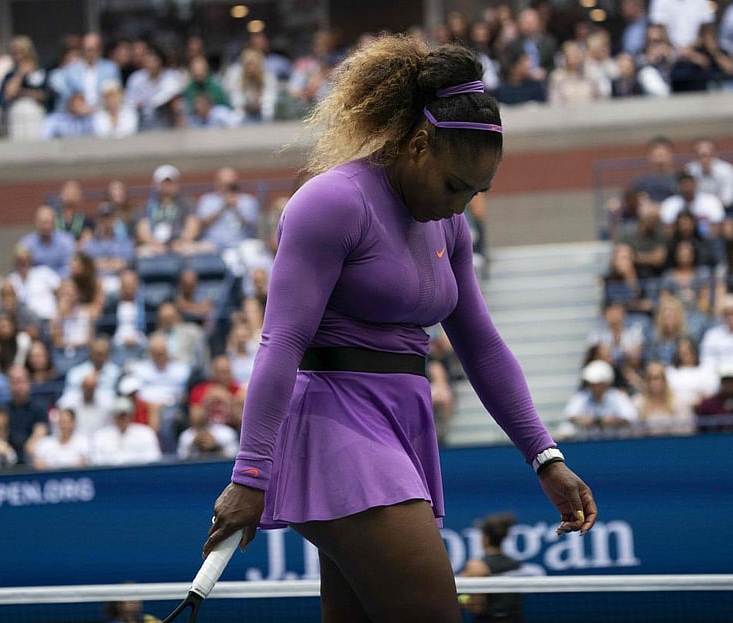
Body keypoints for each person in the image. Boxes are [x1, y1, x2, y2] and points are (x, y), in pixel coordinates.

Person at [204, 36, 597, 622]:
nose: (461, 205)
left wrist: (545, 456)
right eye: (453, 185)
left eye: (475, 192)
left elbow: (482, 345)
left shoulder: (451, 227)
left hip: (399, 428)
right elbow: (280, 342)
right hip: (334, 428)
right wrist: (251, 472)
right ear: (417, 145)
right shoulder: (331, 203)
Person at [459, 512, 525, 622]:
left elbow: (476, 606)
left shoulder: (477, 566)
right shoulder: (515, 564)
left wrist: (459, 597)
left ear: (486, 538)